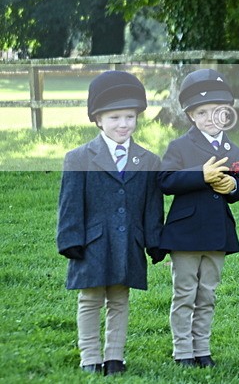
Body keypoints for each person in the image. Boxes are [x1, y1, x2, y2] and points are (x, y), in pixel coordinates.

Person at [56, 70, 164, 375]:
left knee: (119, 298)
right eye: (115, 117)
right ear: (98, 120)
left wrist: (155, 241)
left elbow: (152, 206)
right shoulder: (79, 158)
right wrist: (70, 239)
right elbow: (70, 204)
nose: (123, 124)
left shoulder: (149, 161)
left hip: (128, 241)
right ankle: (90, 357)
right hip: (90, 243)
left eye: (129, 117)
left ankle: (115, 357)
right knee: (90, 299)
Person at [158, 68, 239, 368]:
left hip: (216, 234)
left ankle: (202, 349)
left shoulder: (232, 149)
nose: (211, 119)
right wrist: (200, 175)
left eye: (218, 112)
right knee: (184, 294)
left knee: (206, 295)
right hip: (185, 235)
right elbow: (166, 181)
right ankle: (183, 351)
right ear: (191, 116)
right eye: (203, 113)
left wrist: (233, 186)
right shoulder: (179, 146)